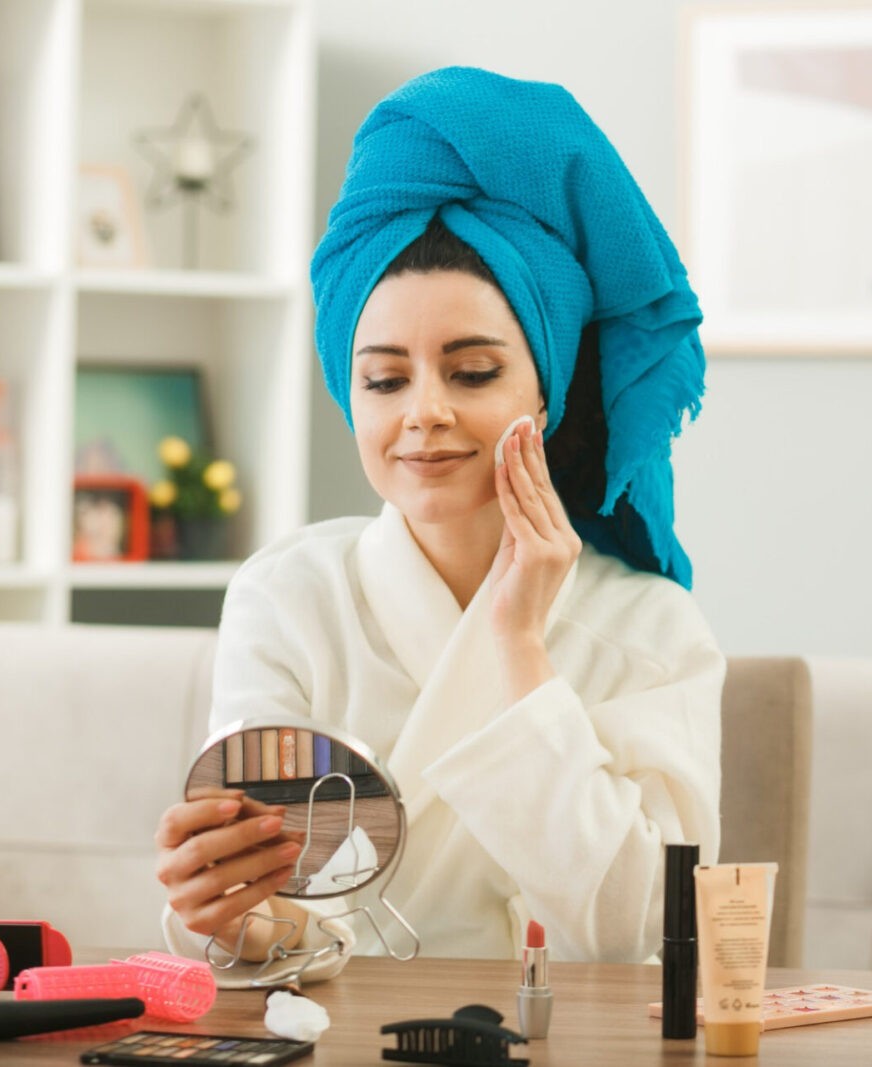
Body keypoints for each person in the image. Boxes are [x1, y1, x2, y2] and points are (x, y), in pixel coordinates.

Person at [153, 66, 722, 984]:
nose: (423, 412)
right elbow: (272, 922)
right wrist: (226, 911)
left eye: (471, 372)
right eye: (384, 379)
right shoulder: (288, 595)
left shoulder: (655, 632)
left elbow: (644, 940)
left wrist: (517, 644)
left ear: (548, 388)